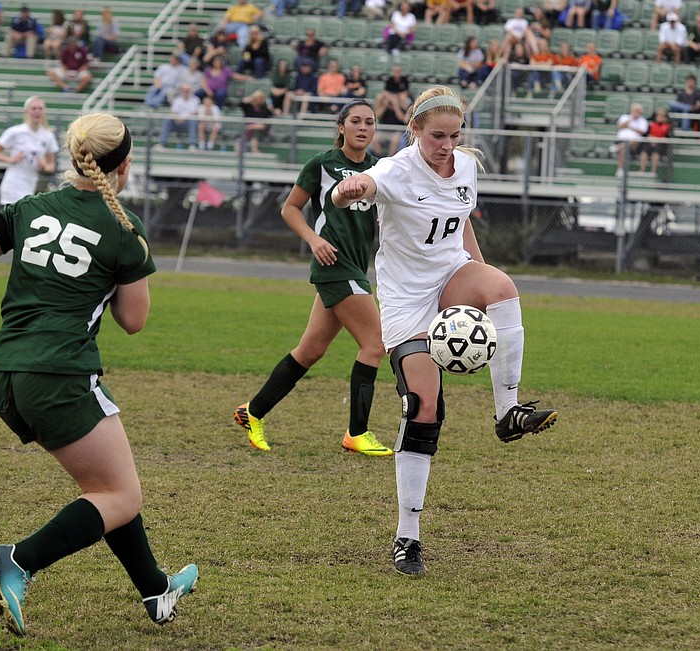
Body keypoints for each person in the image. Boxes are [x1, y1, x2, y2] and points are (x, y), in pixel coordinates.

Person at [0, 111, 198, 637]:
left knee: (107, 489)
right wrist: (130, 261)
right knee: (119, 496)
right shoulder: (125, 227)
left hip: (6, 373)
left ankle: (155, 589)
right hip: (60, 373)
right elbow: (134, 322)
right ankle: (21, 559)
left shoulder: (28, 207)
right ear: (123, 166)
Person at [330, 86, 558, 575]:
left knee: (502, 286)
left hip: (450, 275)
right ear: (414, 130)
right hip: (407, 301)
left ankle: (507, 412)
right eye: (437, 135)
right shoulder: (396, 169)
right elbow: (359, 187)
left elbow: (460, 221)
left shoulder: (467, 166)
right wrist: (347, 190)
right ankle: (407, 536)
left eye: (455, 135)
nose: (447, 145)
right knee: (424, 406)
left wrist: (478, 268)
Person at [234, 99, 389, 456]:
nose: (363, 127)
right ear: (341, 126)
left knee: (310, 350)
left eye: (370, 122)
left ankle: (252, 412)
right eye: (355, 121)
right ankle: (357, 432)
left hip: (355, 266)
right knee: (374, 345)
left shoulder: (379, 169)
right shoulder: (321, 164)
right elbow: (290, 208)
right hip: (334, 265)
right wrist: (314, 239)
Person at [0, 96, 58, 205]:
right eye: (34, 108)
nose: (37, 112)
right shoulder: (16, 132)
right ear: (26, 111)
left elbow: (51, 166)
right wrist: (11, 160)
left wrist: (44, 167)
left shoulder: (48, 135)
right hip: (13, 184)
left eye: (40, 109)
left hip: (30, 185)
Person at [374, 64, 412, 156]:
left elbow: (403, 120)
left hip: (397, 130)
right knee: (374, 138)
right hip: (385, 129)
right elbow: (377, 116)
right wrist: (385, 104)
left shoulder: (402, 105)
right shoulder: (389, 83)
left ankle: (389, 160)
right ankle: (379, 158)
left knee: (395, 139)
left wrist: (396, 105)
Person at [158, 83, 200, 150]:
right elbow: (173, 112)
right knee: (168, 119)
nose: (186, 91)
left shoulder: (195, 100)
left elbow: (194, 113)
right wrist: (177, 119)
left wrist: (184, 119)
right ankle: (162, 143)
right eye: (185, 90)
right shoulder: (177, 100)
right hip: (176, 122)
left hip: (188, 122)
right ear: (182, 90)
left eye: (188, 90)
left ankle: (192, 145)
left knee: (193, 121)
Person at [615, 102, 649, 176]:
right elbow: (620, 126)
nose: (636, 113)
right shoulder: (624, 117)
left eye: (638, 111)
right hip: (622, 140)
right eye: (635, 111)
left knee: (628, 144)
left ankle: (642, 171)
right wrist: (630, 119)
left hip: (636, 144)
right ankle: (620, 169)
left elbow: (642, 131)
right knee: (623, 150)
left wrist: (630, 127)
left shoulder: (643, 121)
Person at [641, 107, 672, 175]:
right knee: (644, 153)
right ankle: (642, 170)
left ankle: (653, 172)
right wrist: (651, 139)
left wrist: (658, 140)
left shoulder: (667, 126)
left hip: (660, 144)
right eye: (659, 116)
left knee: (655, 155)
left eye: (662, 116)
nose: (660, 117)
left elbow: (667, 137)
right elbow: (646, 135)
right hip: (650, 143)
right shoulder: (651, 124)